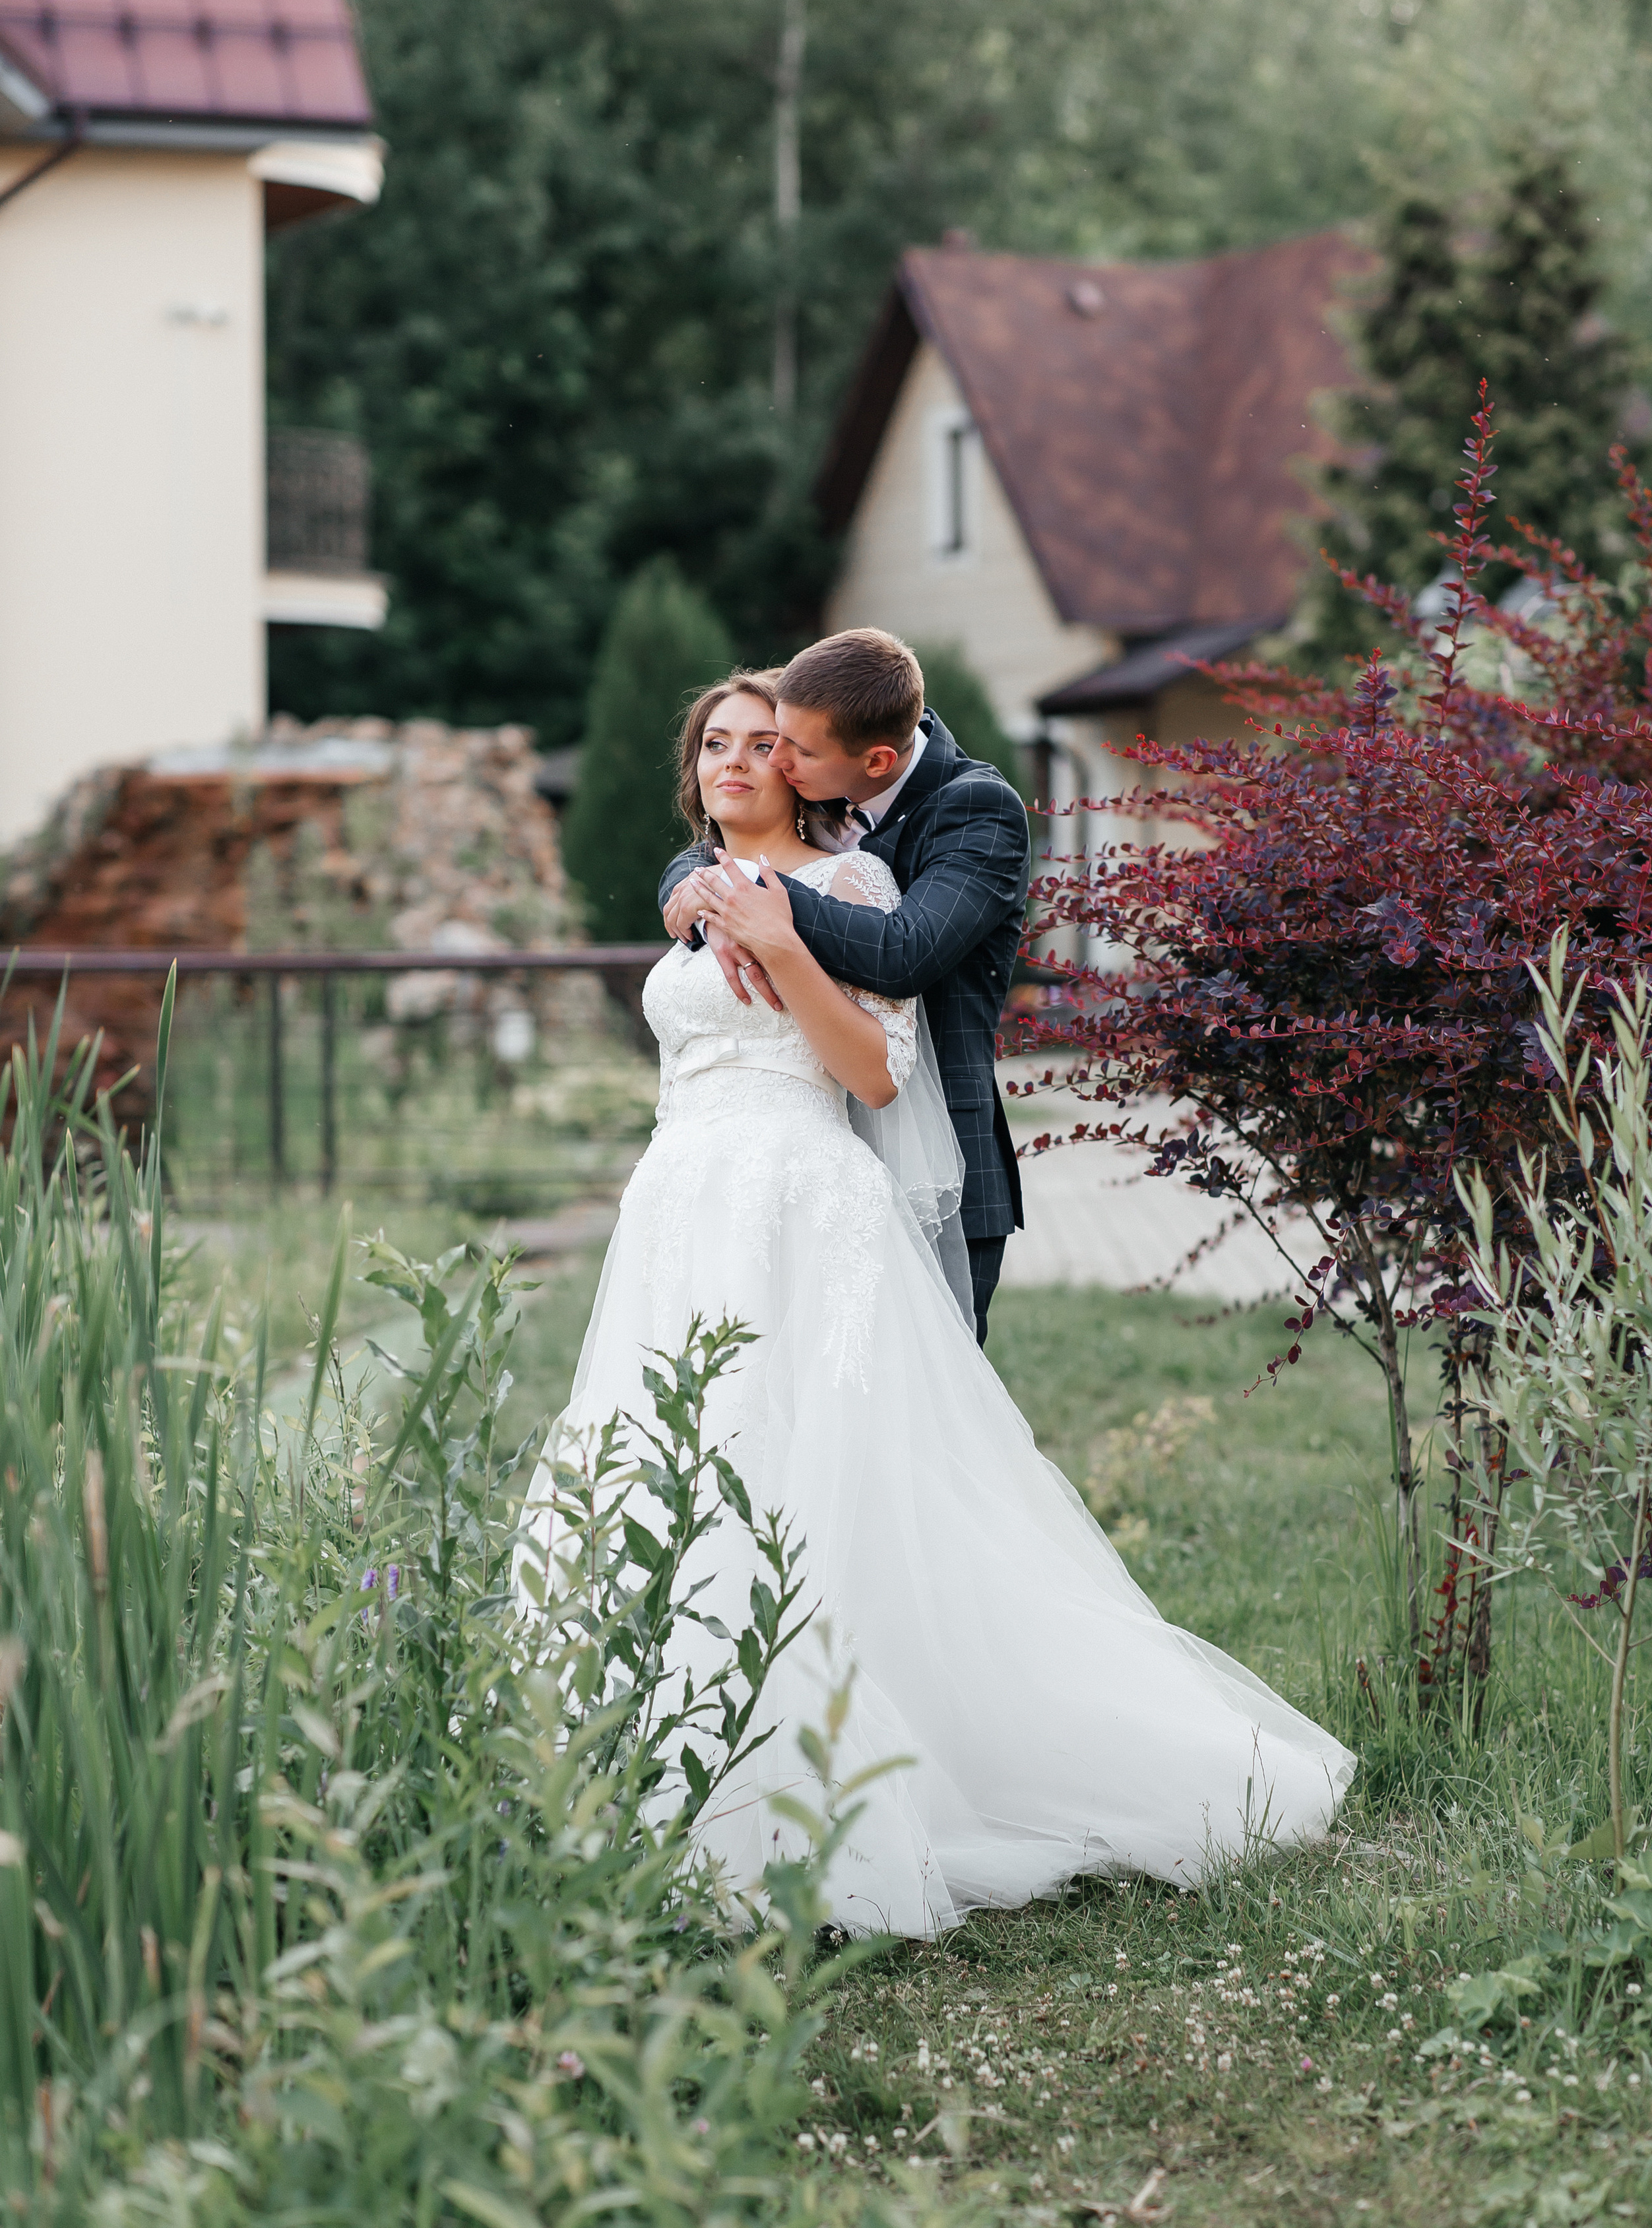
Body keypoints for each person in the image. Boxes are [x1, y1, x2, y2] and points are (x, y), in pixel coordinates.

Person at [516, 668, 1354, 1939]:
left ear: (813, 764)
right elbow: (703, 934)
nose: (741, 760)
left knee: (822, 1483)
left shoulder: (869, 874)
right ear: (694, 771)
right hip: (682, 1207)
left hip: (803, 1201)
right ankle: (634, 1759)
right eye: (719, 745)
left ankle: (834, 1784)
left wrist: (780, 936)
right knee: (656, 1459)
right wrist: (709, 901)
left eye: (767, 744)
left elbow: (870, 1062)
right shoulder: (690, 887)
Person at [660, 629, 1028, 1344]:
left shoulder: (973, 809)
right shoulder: (832, 778)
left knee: (914, 1433)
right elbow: (706, 848)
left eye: (778, 748)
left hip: (933, 1173)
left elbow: (902, 953)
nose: (775, 762)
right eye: (776, 742)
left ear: (876, 761)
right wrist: (701, 892)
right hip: (778, 1177)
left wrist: (747, 897)